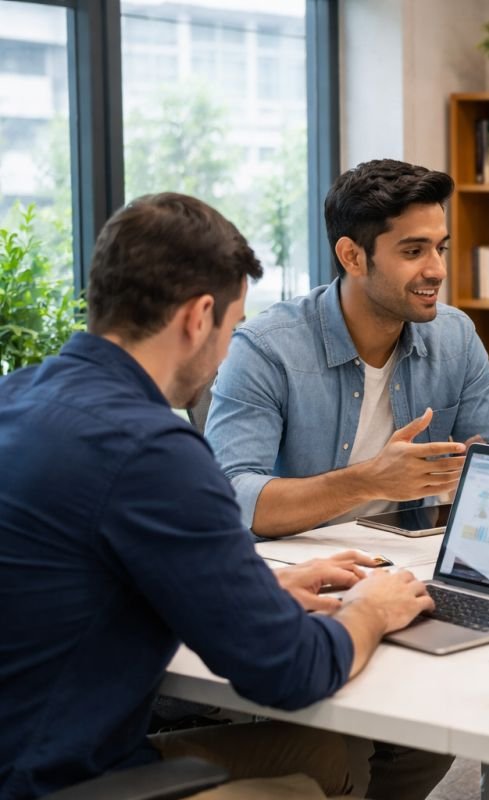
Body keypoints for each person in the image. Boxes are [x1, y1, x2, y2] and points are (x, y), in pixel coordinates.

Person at [0, 193, 440, 799]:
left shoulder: (18, 397)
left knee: (323, 751)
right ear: (198, 316)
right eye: (232, 327)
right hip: (59, 779)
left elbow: (77, 576)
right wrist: (371, 608)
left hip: (30, 742)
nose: (228, 350)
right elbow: (290, 673)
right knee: (315, 778)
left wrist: (248, 590)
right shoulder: (154, 451)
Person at [205, 159, 489, 539]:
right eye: (413, 251)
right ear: (352, 256)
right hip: (297, 574)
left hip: (410, 561)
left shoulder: (455, 336)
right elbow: (229, 499)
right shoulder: (266, 349)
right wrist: (370, 481)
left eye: (441, 248)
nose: (437, 269)